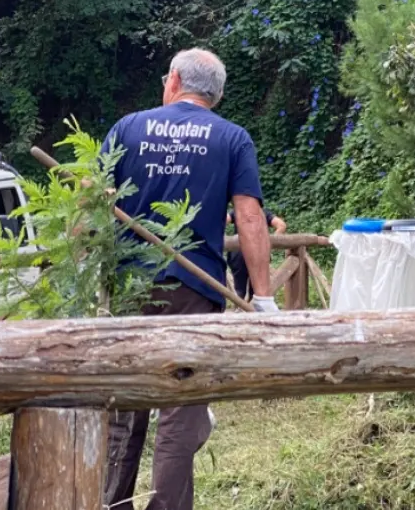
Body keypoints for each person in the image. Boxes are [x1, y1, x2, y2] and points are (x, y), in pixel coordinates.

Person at [100, 48, 277, 510]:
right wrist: (263, 298)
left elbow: (92, 204)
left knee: (124, 408)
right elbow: (249, 217)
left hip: (129, 288)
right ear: (215, 95)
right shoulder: (232, 138)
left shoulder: (127, 128)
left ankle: (110, 504)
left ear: (174, 80)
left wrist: (84, 273)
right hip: (193, 292)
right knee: (181, 410)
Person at [226, 207, 287, 299]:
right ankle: (252, 305)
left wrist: (222, 237)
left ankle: (239, 305)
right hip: (258, 252)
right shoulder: (263, 212)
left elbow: (223, 220)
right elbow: (281, 225)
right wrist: (269, 243)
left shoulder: (238, 210)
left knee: (239, 289)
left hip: (239, 252)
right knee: (256, 290)